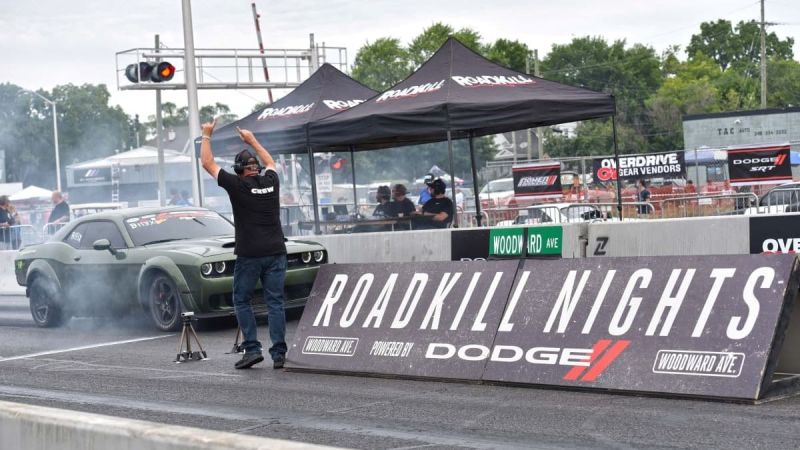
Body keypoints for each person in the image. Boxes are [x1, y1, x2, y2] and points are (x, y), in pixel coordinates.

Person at [199, 118, 288, 370]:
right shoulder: (271, 180)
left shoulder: (237, 185)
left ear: (239, 170)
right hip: (276, 251)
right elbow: (270, 162)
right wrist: (252, 140)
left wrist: (207, 134)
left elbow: (207, 163)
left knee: (241, 300)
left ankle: (251, 349)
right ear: (256, 169)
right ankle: (279, 354)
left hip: (250, 254)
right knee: (275, 302)